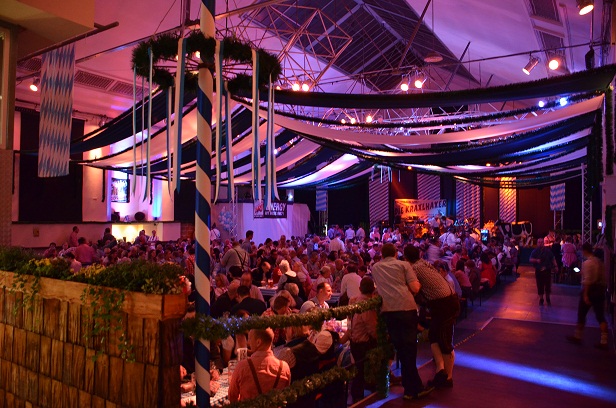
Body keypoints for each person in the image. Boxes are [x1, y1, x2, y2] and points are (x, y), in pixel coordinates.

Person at [370, 243, 432, 401]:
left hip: (389, 311)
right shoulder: (403, 265)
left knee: (401, 350)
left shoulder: (376, 267)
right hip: (406, 308)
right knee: (409, 350)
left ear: (382, 254)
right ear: (396, 253)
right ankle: (413, 389)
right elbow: (415, 288)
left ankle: (411, 388)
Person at [405, 245, 460, 389]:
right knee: (434, 336)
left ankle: (448, 378)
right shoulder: (423, 263)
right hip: (446, 302)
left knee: (445, 341)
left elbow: (412, 288)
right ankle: (440, 372)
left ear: (405, 258)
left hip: (444, 304)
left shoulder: (415, 269)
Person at [228, 328, 291, 403]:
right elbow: (286, 395)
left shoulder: (242, 366)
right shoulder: (284, 367)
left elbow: (232, 397)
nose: (248, 343)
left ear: (258, 342)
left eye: (250, 338)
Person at [566, 244, 608, 349]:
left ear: (584, 251)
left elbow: (587, 281)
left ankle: (578, 337)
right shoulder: (599, 262)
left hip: (590, 291)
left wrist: (585, 295)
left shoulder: (587, 263)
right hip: (600, 291)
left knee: (581, 314)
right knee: (600, 316)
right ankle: (604, 341)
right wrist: (580, 273)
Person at [348, 277, 378, 403]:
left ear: (360, 288)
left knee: (359, 369)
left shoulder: (355, 301)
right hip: (362, 342)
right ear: (373, 291)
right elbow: (372, 327)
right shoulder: (366, 305)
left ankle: (358, 393)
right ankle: (358, 397)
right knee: (360, 371)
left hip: (355, 340)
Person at [529, 238, 557, 306]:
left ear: (543, 243)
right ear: (537, 243)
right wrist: (536, 260)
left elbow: (553, 258)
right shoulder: (535, 251)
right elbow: (530, 259)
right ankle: (541, 299)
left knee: (548, 285)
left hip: (547, 270)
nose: (540, 243)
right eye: (539, 242)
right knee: (539, 285)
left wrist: (556, 266)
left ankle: (548, 298)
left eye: (541, 242)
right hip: (538, 271)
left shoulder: (548, 251)